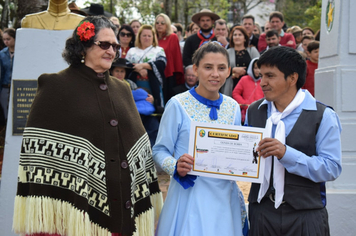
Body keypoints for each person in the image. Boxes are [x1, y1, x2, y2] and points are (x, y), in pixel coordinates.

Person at [13, 16, 163, 236]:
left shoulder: (122, 90)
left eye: (115, 46)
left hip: (122, 208)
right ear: (83, 46)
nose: (111, 51)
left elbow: (137, 146)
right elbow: (39, 153)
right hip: (74, 214)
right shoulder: (55, 85)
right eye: (104, 44)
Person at [153, 42, 248, 236]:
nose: (215, 74)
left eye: (221, 68)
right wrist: (176, 166)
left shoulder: (233, 107)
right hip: (190, 195)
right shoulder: (177, 104)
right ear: (195, 69)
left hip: (224, 197)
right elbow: (159, 150)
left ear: (229, 71)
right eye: (208, 67)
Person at [245, 46, 342, 236]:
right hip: (262, 212)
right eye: (261, 75)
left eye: (270, 76)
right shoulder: (254, 111)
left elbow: (331, 168)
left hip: (306, 214)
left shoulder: (323, 115)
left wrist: (286, 154)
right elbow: (246, 158)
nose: (262, 82)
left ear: (292, 78)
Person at [126, 25, 167, 113]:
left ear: (153, 37)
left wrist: (143, 66)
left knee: (153, 109)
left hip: (152, 85)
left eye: (149, 36)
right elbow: (126, 66)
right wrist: (139, 70)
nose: (146, 38)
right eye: (144, 35)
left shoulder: (158, 50)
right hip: (135, 84)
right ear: (139, 36)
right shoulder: (132, 51)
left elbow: (161, 64)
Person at [221, 26, 259, 97]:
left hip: (249, 87)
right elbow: (221, 69)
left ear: (245, 38)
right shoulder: (227, 52)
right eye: (235, 35)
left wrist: (244, 71)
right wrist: (233, 71)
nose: (237, 37)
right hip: (232, 85)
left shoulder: (252, 50)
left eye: (240, 35)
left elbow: (259, 67)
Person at [154, 13, 184, 103]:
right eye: (157, 22)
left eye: (162, 23)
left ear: (167, 24)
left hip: (168, 75)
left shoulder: (172, 37)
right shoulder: (152, 38)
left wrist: (179, 76)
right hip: (154, 73)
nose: (159, 25)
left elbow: (177, 58)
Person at [232, 58, 263, 124]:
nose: (257, 71)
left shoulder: (264, 81)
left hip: (260, 112)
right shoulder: (244, 79)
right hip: (245, 113)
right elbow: (235, 93)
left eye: (259, 68)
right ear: (251, 68)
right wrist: (244, 103)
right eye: (255, 68)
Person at [0, 28, 16, 122]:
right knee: (5, 111)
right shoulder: (2, 54)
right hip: (5, 87)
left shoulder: (21, 53)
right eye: (4, 39)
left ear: (14, 38)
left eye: (8, 39)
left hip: (16, 87)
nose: (6, 41)